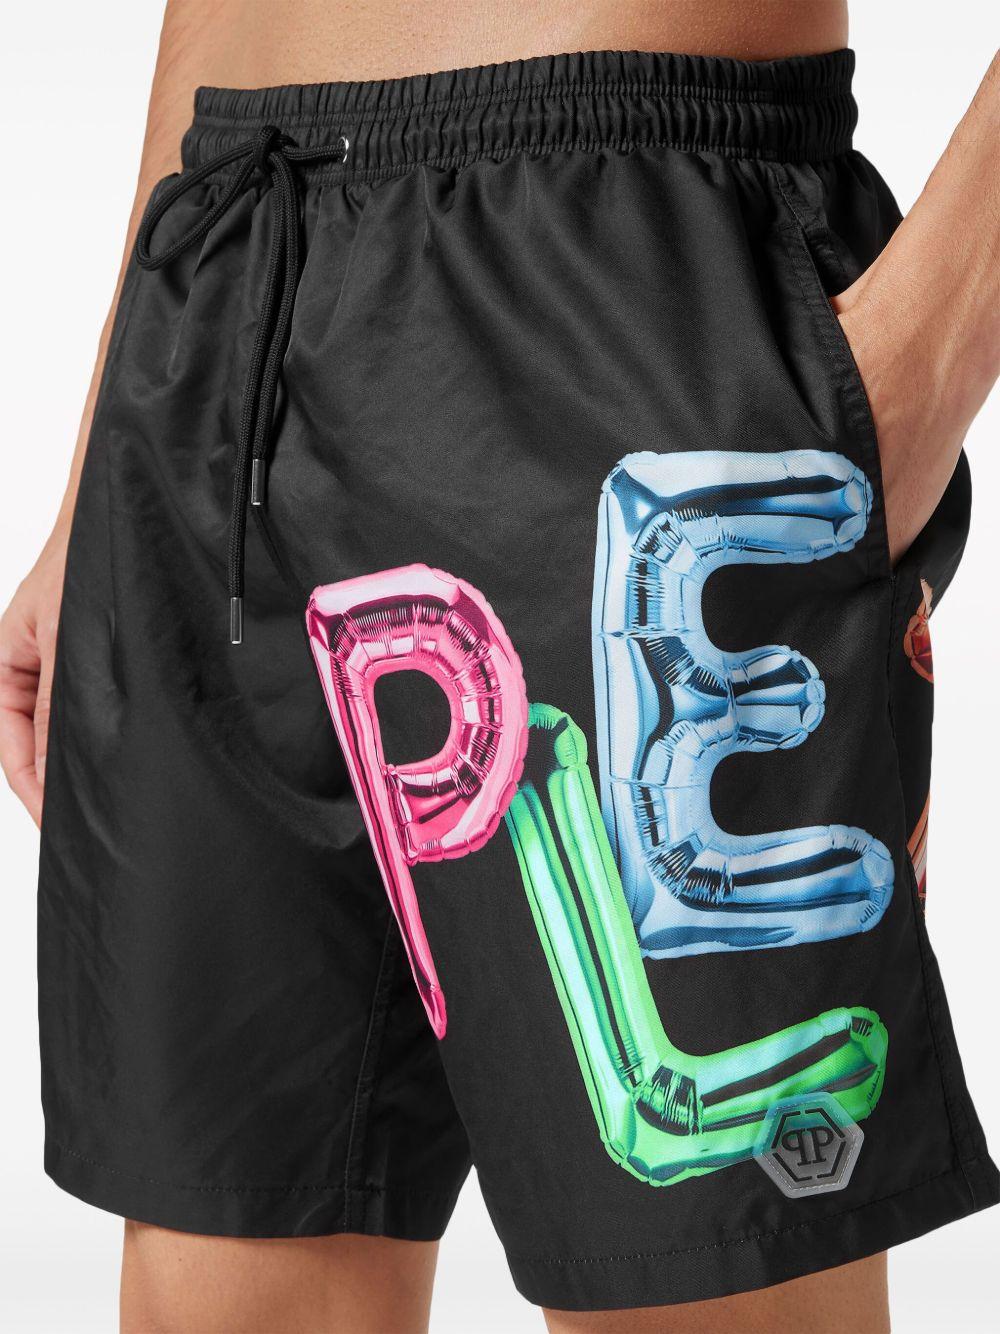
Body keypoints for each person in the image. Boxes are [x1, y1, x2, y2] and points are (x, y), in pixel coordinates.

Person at [2, 1, 997, 1329]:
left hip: (615, 274)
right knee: (223, 1282)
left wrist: (922, 364)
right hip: (220, 288)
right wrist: (95, 472)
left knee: (691, 1283)